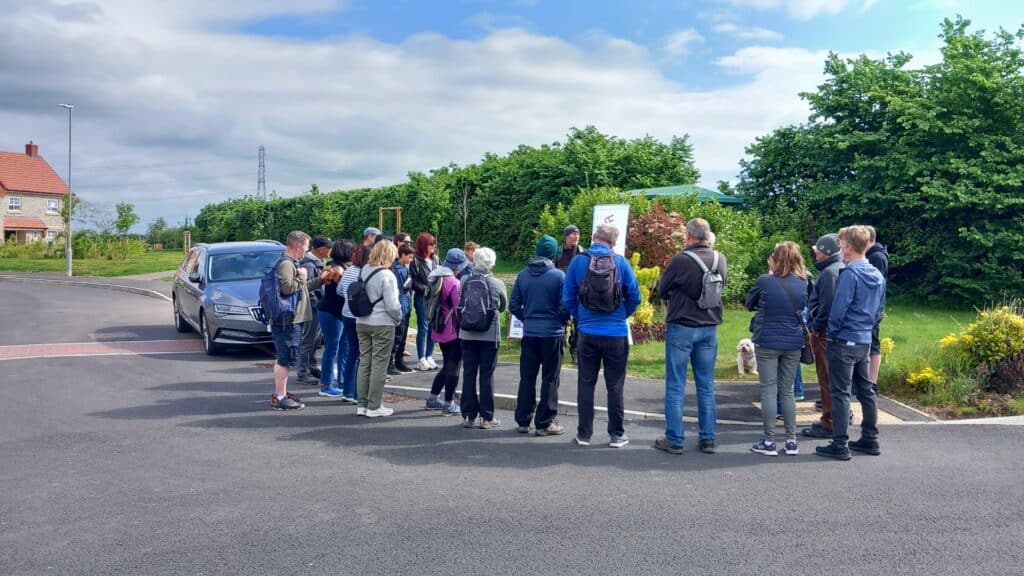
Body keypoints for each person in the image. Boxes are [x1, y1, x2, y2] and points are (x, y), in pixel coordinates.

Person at [563, 224, 641, 448]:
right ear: (614, 243)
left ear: (594, 238)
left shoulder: (578, 261)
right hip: (616, 333)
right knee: (615, 384)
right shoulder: (621, 262)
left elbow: (567, 296)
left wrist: (581, 317)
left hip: (587, 332)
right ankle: (616, 434)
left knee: (586, 383)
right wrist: (620, 316)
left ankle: (584, 434)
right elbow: (635, 296)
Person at [655, 218, 727, 455]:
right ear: (707, 235)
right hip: (709, 326)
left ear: (688, 236)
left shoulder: (680, 260)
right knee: (706, 385)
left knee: (676, 384)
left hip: (682, 325)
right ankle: (708, 438)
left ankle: (674, 438)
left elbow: (662, 289)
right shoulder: (720, 259)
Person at [816, 225, 886, 460]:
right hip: (864, 338)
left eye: (843, 245)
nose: (841, 250)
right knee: (866, 390)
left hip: (844, 339)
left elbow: (839, 309)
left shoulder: (849, 274)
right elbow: (879, 310)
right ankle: (870, 438)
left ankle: (840, 443)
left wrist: (832, 334)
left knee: (841, 392)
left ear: (847, 247)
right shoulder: (876, 274)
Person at [744, 242, 809, 456]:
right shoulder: (804, 282)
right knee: (787, 390)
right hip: (793, 341)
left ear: (775, 259)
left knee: (769, 389)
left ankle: (769, 441)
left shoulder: (765, 281)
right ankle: (791, 440)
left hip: (768, 340)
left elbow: (749, 303)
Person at [270, 231, 339, 411]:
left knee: (285, 357)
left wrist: (319, 280)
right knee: (283, 359)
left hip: (291, 318)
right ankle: (280, 397)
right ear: (299, 246)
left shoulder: (292, 263)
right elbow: (288, 289)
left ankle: (282, 393)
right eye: (306, 248)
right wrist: (302, 275)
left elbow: (302, 288)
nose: (306, 252)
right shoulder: (286, 264)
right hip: (287, 319)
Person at [510, 235, 570, 436]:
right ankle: (545, 422)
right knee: (550, 378)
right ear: (554, 253)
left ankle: (523, 420)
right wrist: (561, 319)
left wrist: (527, 318)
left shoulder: (523, 275)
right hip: (552, 333)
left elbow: (514, 305)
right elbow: (565, 306)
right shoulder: (559, 276)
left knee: (527, 377)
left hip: (530, 332)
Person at [459, 247, 508, 429]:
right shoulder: (496, 283)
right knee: (486, 375)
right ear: (492, 263)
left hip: (467, 333)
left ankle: (468, 415)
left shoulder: (464, 280)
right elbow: (502, 307)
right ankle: (487, 417)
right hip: (488, 334)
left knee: (469, 373)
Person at [802, 233, 845, 439]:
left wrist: (816, 327)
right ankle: (838, 417)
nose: (815, 254)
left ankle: (829, 422)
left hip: (824, 334)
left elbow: (826, 306)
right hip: (838, 334)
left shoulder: (829, 273)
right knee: (837, 380)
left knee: (827, 379)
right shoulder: (840, 268)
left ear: (826, 251)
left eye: (817, 250)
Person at [354, 240, 404, 417]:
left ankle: (362, 404)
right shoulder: (387, 275)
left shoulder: (364, 269)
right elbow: (392, 305)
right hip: (382, 323)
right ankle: (374, 406)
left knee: (364, 362)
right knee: (379, 365)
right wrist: (399, 318)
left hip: (362, 321)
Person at [425, 248, 469, 415]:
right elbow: (459, 309)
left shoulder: (434, 278)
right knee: (454, 367)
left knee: (446, 365)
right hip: (453, 330)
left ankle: (433, 397)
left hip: (439, 327)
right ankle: (449, 402)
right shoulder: (453, 283)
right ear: (458, 266)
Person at [317, 240, 355, 397]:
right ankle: (325, 385)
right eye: (352, 251)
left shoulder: (336, 266)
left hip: (339, 312)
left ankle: (342, 381)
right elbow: (339, 292)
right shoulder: (338, 269)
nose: (354, 254)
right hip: (331, 312)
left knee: (343, 347)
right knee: (332, 348)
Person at [296, 235, 332, 384]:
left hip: (316, 305)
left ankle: (311, 366)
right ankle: (303, 371)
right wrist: (317, 303)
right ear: (322, 249)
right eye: (329, 247)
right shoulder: (310, 265)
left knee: (315, 339)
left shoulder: (318, 262)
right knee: (308, 339)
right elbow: (308, 288)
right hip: (312, 308)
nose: (330, 250)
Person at [336, 247, 368, 404]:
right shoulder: (364, 273)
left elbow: (339, 290)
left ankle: (347, 391)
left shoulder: (348, 271)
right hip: (360, 317)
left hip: (346, 314)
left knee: (351, 353)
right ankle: (357, 392)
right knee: (362, 355)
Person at [410, 233, 439, 371]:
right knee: (423, 327)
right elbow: (412, 281)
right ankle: (421, 358)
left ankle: (429, 356)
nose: (433, 247)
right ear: (423, 245)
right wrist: (426, 289)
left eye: (434, 244)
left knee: (433, 327)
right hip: (422, 297)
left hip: (434, 297)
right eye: (430, 244)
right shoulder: (415, 260)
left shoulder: (435, 259)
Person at [865, 225, 889, 387]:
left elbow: (874, 285)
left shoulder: (877, 257)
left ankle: (871, 382)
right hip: (870, 307)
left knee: (872, 343)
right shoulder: (872, 255)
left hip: (872, 308)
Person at [555, 225, 583, 364]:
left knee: (578, 323)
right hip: (561, 293)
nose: (576, 237)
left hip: (578, 293)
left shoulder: (582, 252)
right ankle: (557, 350)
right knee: (560, 320)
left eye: (578, 235)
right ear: (566, 237)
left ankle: (575, 351)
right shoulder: (558, 252)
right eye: (573, 235)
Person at [389, 244, 416, 375]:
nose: (411, 260)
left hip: (406, 305)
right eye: (409, 257)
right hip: (401, 306)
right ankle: (391, 363)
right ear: (403, 255)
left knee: (403, 337)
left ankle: (399, 361)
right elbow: (399, 291)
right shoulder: (397, 270)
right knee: (397, 337)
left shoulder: (405, 267)